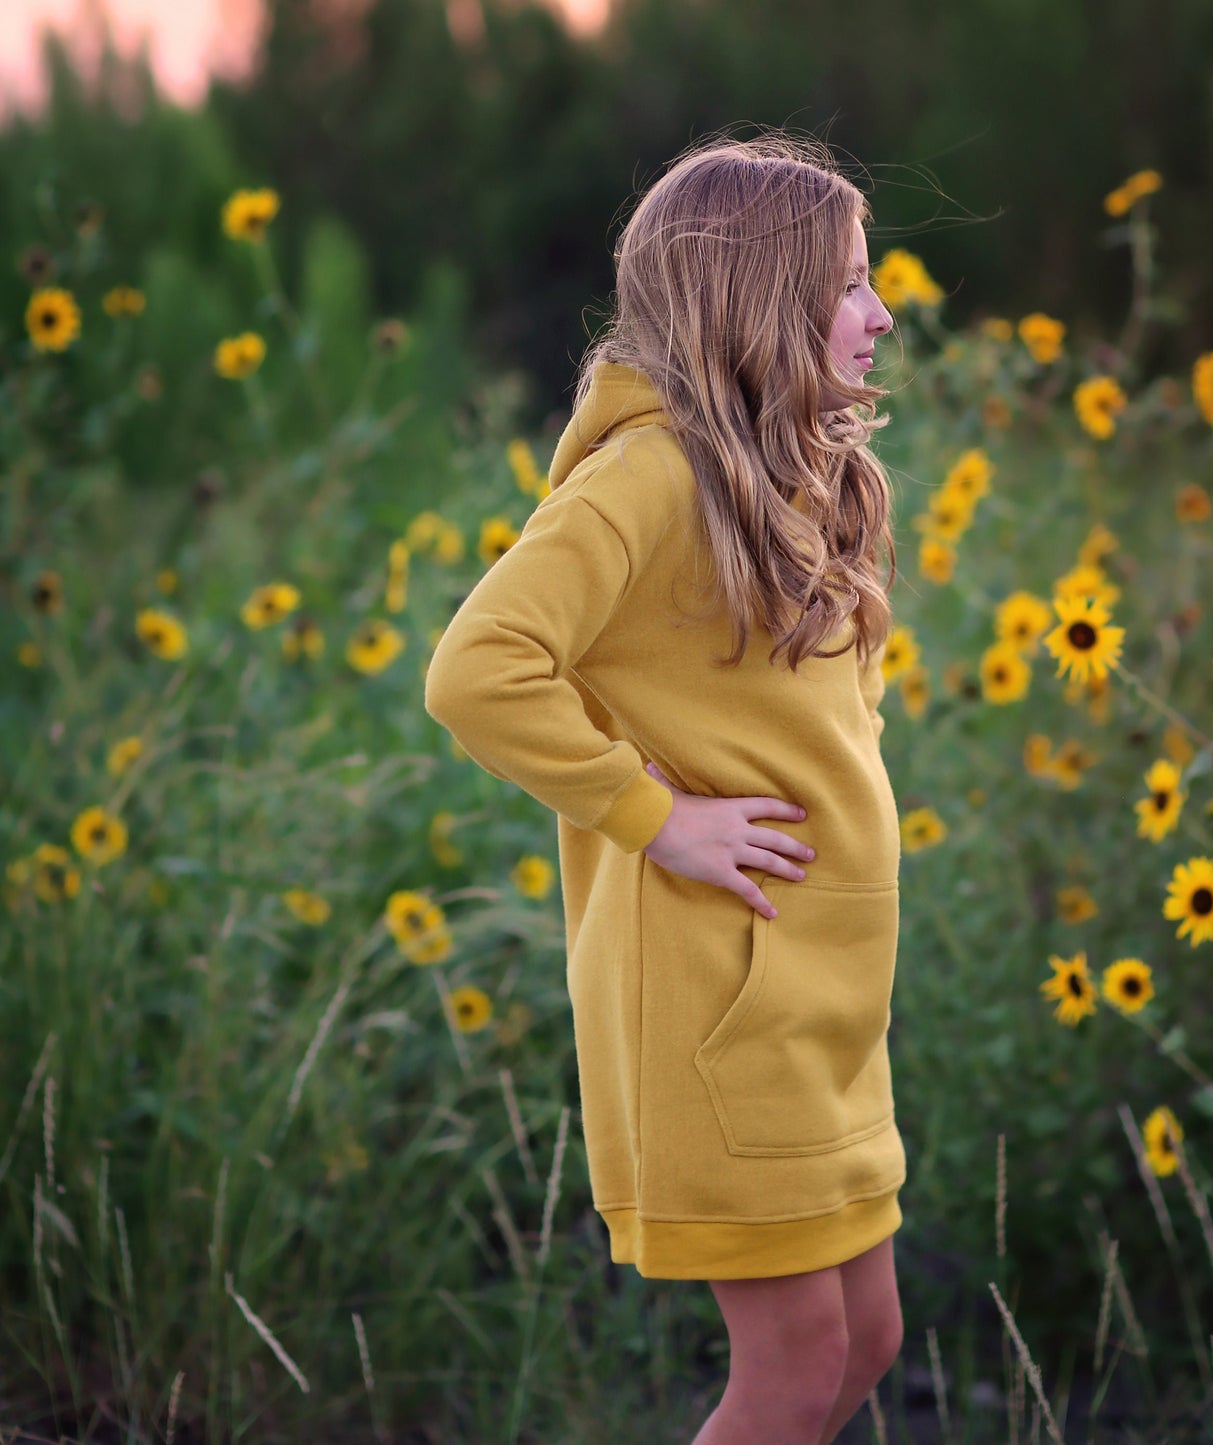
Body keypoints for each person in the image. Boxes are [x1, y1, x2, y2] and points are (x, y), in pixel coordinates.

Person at [424, 131, 903, 1445]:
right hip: (717, 1004)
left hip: (816, 1005)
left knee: (868, 1339)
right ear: (757, 299)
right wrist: (653, 816)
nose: (878, 313)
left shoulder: (798, 475)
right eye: (849, 283)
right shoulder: (646, 478)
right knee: (797, 1365)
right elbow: (477, 668)